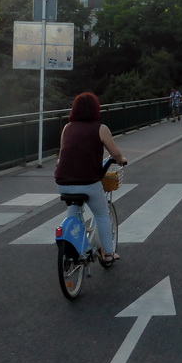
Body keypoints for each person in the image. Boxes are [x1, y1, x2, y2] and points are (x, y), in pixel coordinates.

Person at [54, 92, 127, 265]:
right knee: (102, 214)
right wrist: (121, 160)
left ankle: (74, 243)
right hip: (88, 182)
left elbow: (63, 152)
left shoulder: (67, 127)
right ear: (96, 109)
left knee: (73, 212)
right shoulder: (101, 128)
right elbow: (115, 153)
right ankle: (108, 254)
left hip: (63, 182)